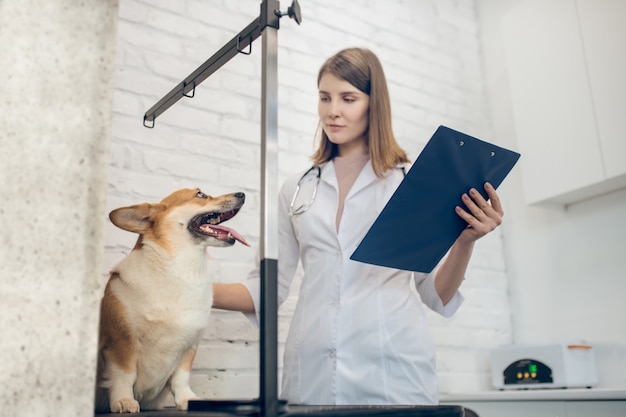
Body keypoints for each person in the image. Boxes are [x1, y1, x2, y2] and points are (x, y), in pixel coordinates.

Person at [212, 47, 503, 405]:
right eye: (324, 98)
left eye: (348, 98)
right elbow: (269, 288)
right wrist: (184, 290)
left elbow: (435, 294)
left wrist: (465, 242)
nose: (332, 111)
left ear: (373, 103)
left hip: (393, 372)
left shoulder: (409, 183)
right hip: (311, 373)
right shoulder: (297, 187)